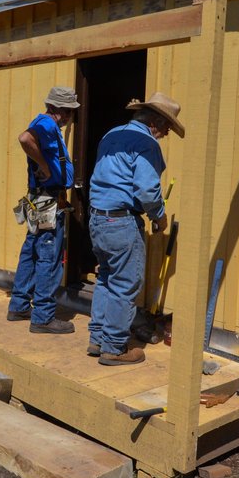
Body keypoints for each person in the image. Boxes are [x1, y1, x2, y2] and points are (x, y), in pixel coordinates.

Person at [86, 92, 185, 365]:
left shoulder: (111, 134)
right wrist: (159, 217)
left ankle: (97, 339)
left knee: (106, 278)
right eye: (166, 127)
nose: (165, 134)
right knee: (125, 283)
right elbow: (147, 190)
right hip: (121, 220)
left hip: (98, 217)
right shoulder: (146, 143)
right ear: (155, 121)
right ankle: (114, 348)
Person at [7, 86, 80, 334]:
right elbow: (24, 138)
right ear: (59, 109)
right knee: (49, 256)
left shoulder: (47, 125)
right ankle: (43, 317)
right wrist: (46, 169)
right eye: (69, 111)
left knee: (31, 251)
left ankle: (19, 306)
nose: (71, 116)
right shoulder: (46, 125)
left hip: (40, 199)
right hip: (47, 199)